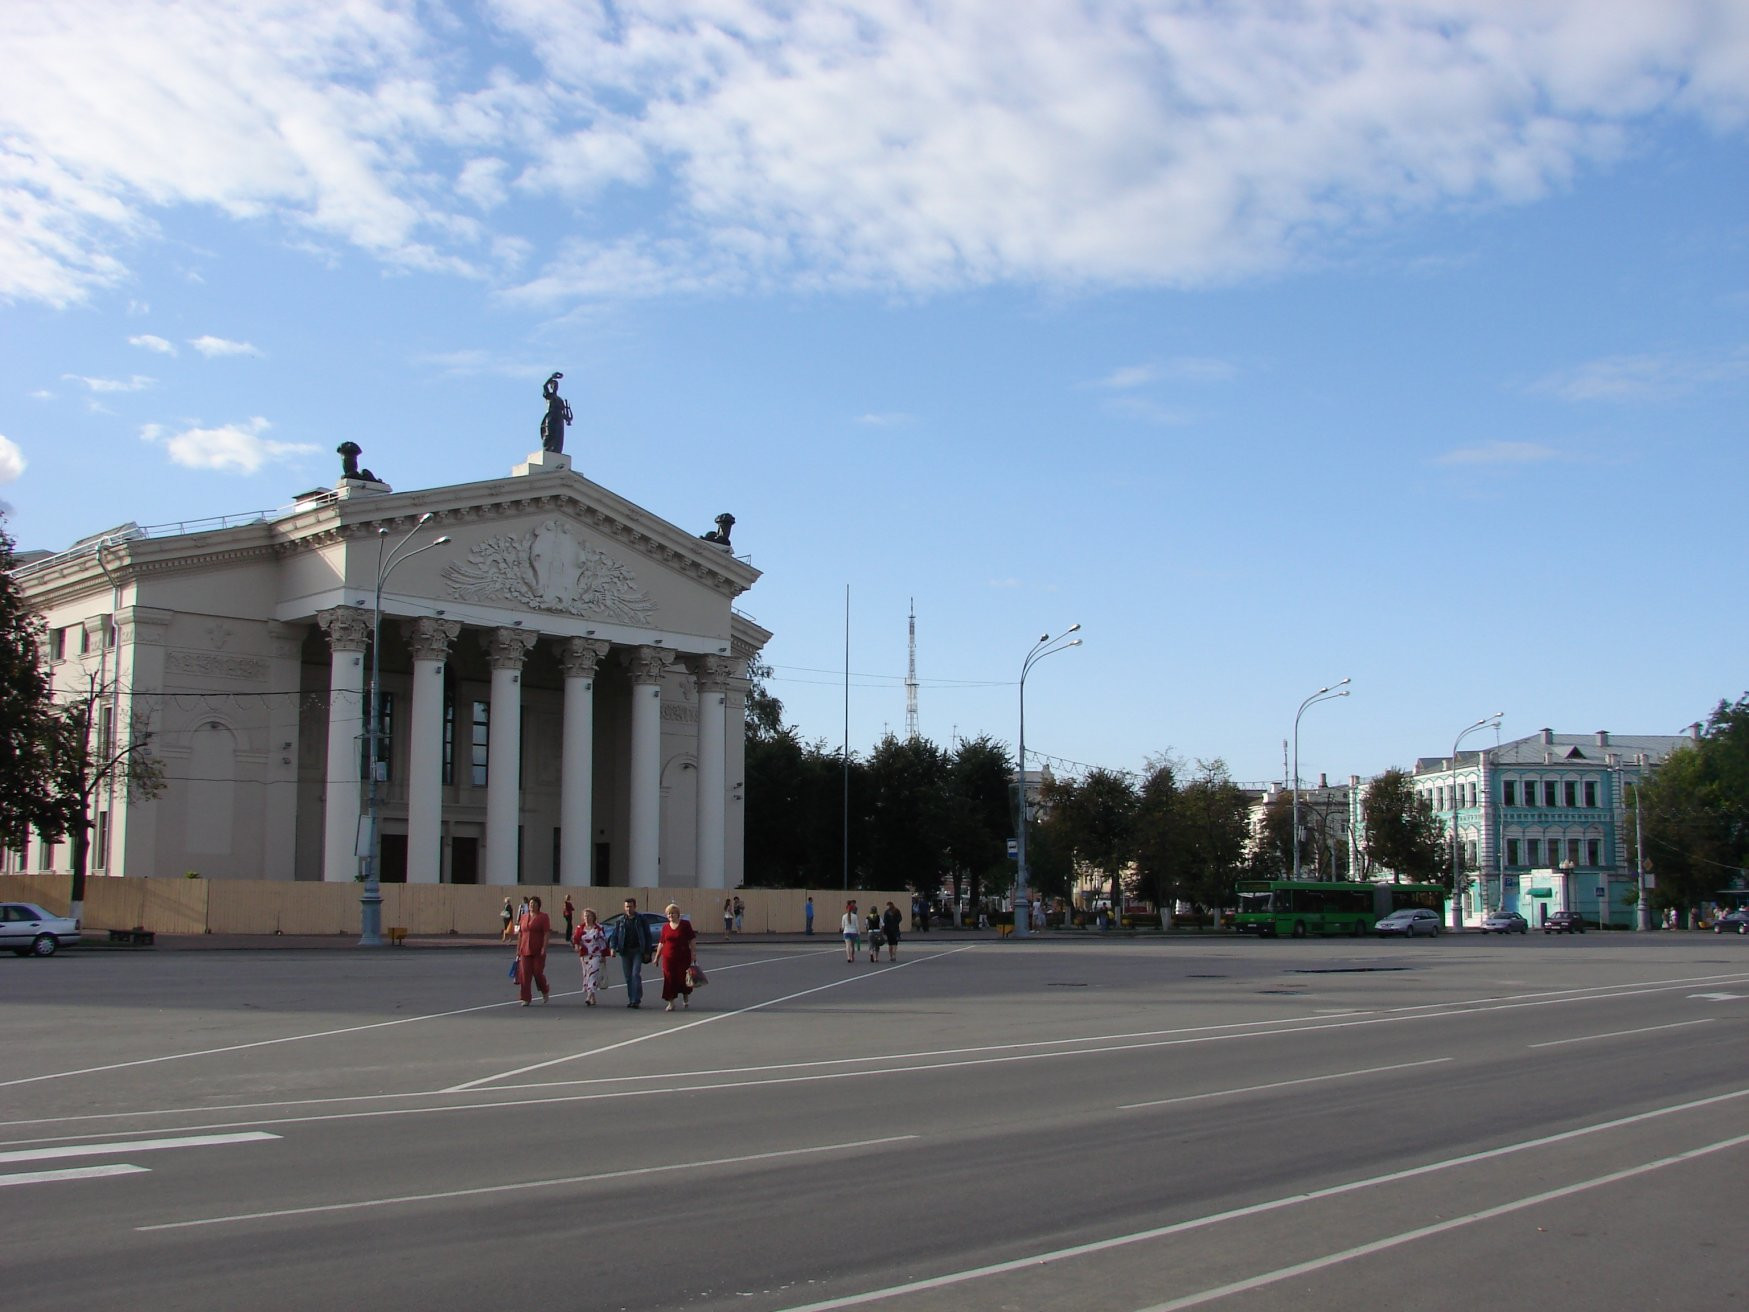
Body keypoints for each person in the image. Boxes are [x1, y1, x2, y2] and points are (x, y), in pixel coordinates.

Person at [611, 897, 654, 1008]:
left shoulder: (641, 919)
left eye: (630, 906)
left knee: (635, 974)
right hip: (625, 951)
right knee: (628, 977)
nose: (628, 909)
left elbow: (648, 936)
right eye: (626, 907)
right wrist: (612, 948)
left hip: (638, 951)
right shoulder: (620, 920)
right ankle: (631, 999)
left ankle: (636, 999)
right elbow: (614, 935)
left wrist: (647, 952)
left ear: (635, 907)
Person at [655, 903, 697, 1012]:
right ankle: (671, 1003)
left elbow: (692, 939)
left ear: (678, 914)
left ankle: (685, 994)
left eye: (672, 913)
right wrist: (657, 957)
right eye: (668, 914)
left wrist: (693, 953)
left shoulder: (685, 924)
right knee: (669, 979)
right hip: (668, 958)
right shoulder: (665, 927)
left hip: (683, 956)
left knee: (683, 978)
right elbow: (661, 943)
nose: (670, 915)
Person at [514, 895, 552, 1007]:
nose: (532, 905)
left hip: (538, 949)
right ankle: (526, 998)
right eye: (530, 904)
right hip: (524, 949)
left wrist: (544, 948)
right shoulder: (524, 917)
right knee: (524, 975)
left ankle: (544, 990)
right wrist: (518, 949)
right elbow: (520, 934)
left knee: (537, 972)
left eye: (534, 904)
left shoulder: (543, 917)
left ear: (538, 906)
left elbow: (546, 933)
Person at [573, 908, 608, 1006]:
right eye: (585, 916)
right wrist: (576, 946)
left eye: (589, 916)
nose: (587, 918)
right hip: (584, 955)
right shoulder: (580, 927)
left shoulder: (598, 928)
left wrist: (604, 955)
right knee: (587, 975)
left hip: (596, 954)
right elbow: (576, 939)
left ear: (593, 917)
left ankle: (588, 996)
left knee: (593, 974)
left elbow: (603, 942)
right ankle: (593, 997)